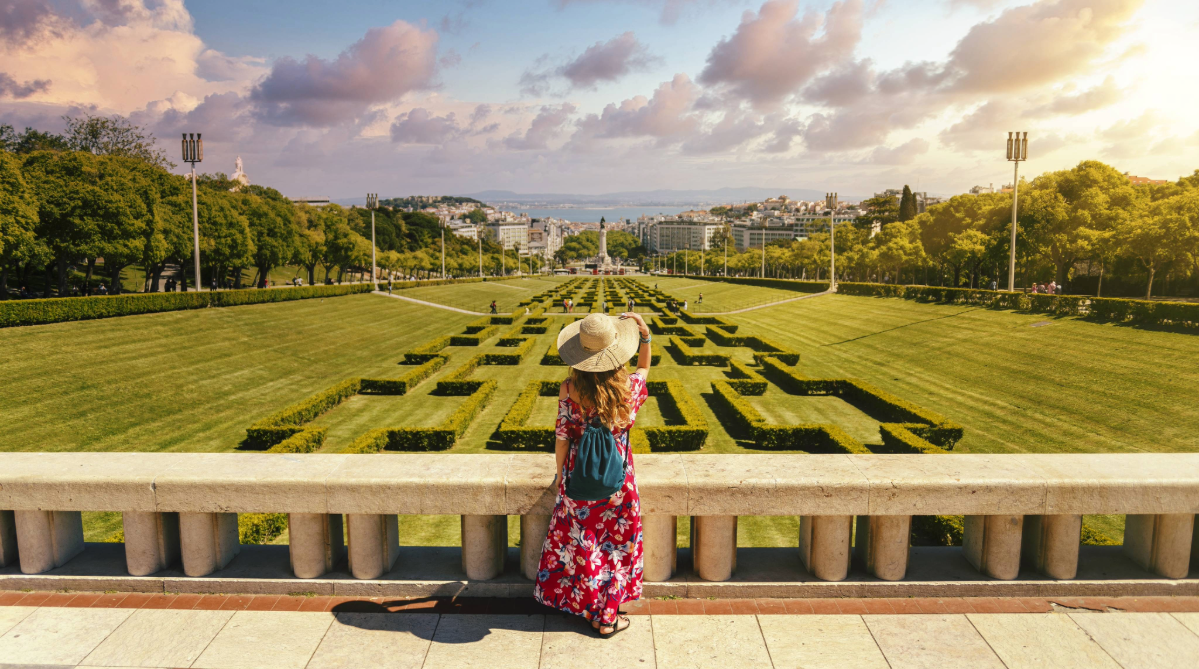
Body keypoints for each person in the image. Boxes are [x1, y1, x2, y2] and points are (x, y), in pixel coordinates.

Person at [534, 311, 652, 638]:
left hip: (579, 477)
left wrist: (561, 476)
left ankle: (592, 609)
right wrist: (644, 335)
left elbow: (562, 437)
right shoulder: (627, 388)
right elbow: (644, 367)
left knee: (587, 545)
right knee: (616, 546)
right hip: (620, 479)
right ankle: (608, 616)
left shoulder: (569, 388)